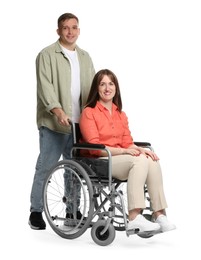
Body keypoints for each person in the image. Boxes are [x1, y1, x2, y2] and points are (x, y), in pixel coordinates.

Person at [79, 69, 176, 233]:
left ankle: (159, 214)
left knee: (150, 158)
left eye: (111, 84)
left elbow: (127, 142)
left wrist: (140, 150)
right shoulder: (89, 112)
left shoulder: (120, 114)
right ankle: (134, 217)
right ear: (97, 88)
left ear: (116, 88)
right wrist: (125, 152)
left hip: (119, 159)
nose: (107, 88)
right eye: (102, 84)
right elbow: (96, 148)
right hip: (99, 161)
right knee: (138, 159)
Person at [29, 13, 95, 230]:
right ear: (58, 31)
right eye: (65, 28)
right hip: (54, 124)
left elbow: (92, 90)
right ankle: (36, 211)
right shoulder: (46, 55)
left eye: (74, 27)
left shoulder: (85, 57)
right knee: (45, 167)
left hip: (79, 125)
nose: (70, 31)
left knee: (75, 169)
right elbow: (45, 87)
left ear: (79, 30)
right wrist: (57, 111)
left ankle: (72, 210)